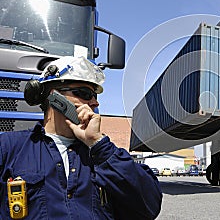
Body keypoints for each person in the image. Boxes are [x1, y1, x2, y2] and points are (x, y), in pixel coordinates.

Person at [0, 56, 162, 219]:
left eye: (95, 96)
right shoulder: (9, 147)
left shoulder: (104, 155)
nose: (94, 103)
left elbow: (149, 207)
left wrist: (98, 145)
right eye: (84, 93)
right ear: (55, 97)